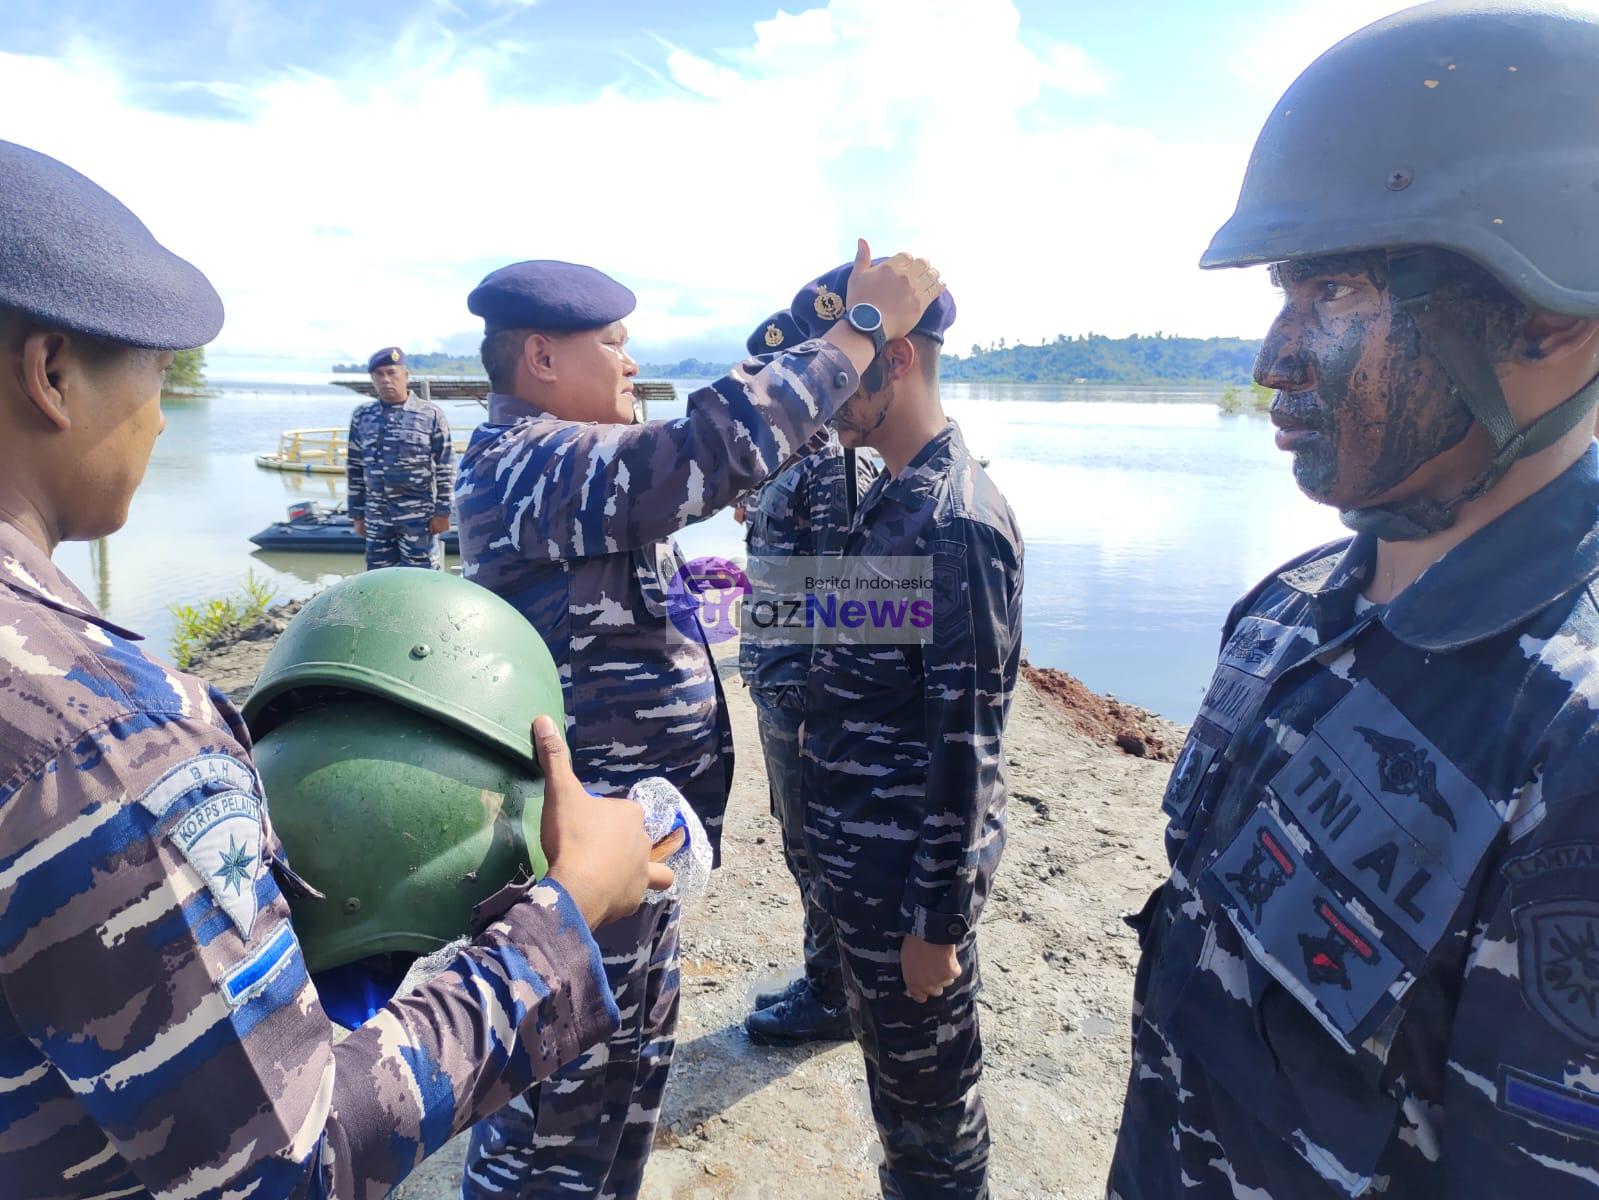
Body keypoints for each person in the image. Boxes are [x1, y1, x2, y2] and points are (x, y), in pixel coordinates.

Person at [0, 138, 668, 1199]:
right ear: (50, 374)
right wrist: (565, 921)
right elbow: (292, 1155)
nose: (165, 412)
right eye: (157, 373)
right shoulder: (101, 738)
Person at [1109, 4, 1599, 1197]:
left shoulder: (1571, 751)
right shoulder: (1283, 615)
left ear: (1550, 312)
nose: (1272, 359)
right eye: (1286, 293)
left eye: (1332, 297)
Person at [452, 246, 945, 1197]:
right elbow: (694, 461)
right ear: (543, 360)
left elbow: (732, 588)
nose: (631, 364)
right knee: (556, 1132)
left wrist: (912, 605)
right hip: (592, 850)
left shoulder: (580, 470)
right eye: (615, 344)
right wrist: (857, 332)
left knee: (613, 1112)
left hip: (653, 828)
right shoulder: (534, 459)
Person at [787, 262, 1023, 1196]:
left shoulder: (954, 520)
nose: (821, 399)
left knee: (931, 1120)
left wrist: (938, 923)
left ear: (894, 359)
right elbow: (859, 669)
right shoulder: (887, 497)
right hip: (858, 872)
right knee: (898, 1097)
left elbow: (966, 742)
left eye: (837, 374)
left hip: (902, 896)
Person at [738, 308, 877, 1046]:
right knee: (798, 844)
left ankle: (834, 995)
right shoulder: (788, 462)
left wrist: (814, 701)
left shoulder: (831, 467)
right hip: (777, 680)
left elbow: (861, 601)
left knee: (818, 848)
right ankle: (831, 980)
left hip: (804, 695)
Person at [346, 345, 453, 569]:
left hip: (419, 519)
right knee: (379, 582)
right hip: (377, 517)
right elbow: (355, 467)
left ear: (405, 376)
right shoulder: (363, 416)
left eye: (391, 373)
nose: (386, 380)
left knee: (422, 582)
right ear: (372, 379)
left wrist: (443, 512)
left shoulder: (429, 414)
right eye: (379, 374)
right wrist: (357, 514)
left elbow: (445, 465)